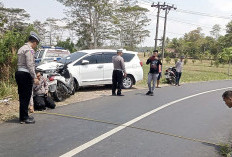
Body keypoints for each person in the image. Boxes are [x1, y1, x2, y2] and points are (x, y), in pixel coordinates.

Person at [15, 31, 40, 124]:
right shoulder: (29, 50)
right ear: (34, 42)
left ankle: (23, 116)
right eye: (35, 44)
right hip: (25, 74)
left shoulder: (22, 48)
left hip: (19, 73)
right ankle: (24, 117)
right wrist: (35, 77)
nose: (35, 46)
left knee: (22, 96)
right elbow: (30, 65)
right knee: (26, 96)